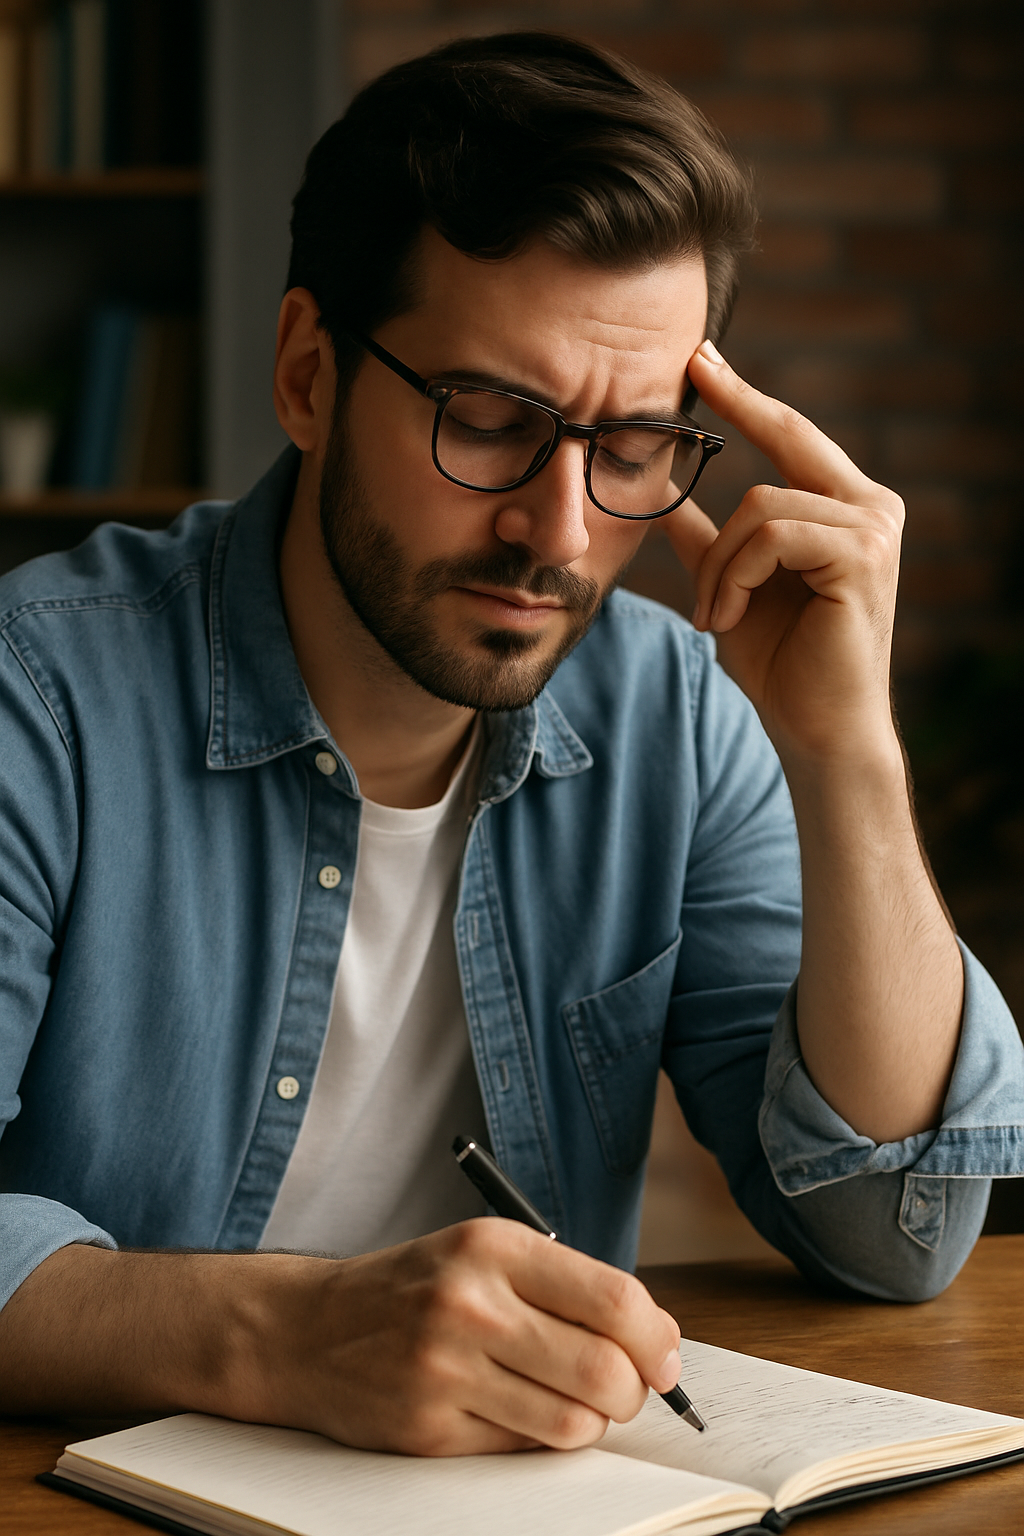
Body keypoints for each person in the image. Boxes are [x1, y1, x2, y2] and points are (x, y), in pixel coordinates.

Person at [1, 32, 1022, 1458]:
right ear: (309, 375)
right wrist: (294, 1335)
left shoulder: (678, 715)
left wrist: (846, 746)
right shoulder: (38, 698)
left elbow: (887, 1230)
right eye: (488, 420)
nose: (559, 532)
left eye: (634, 447)